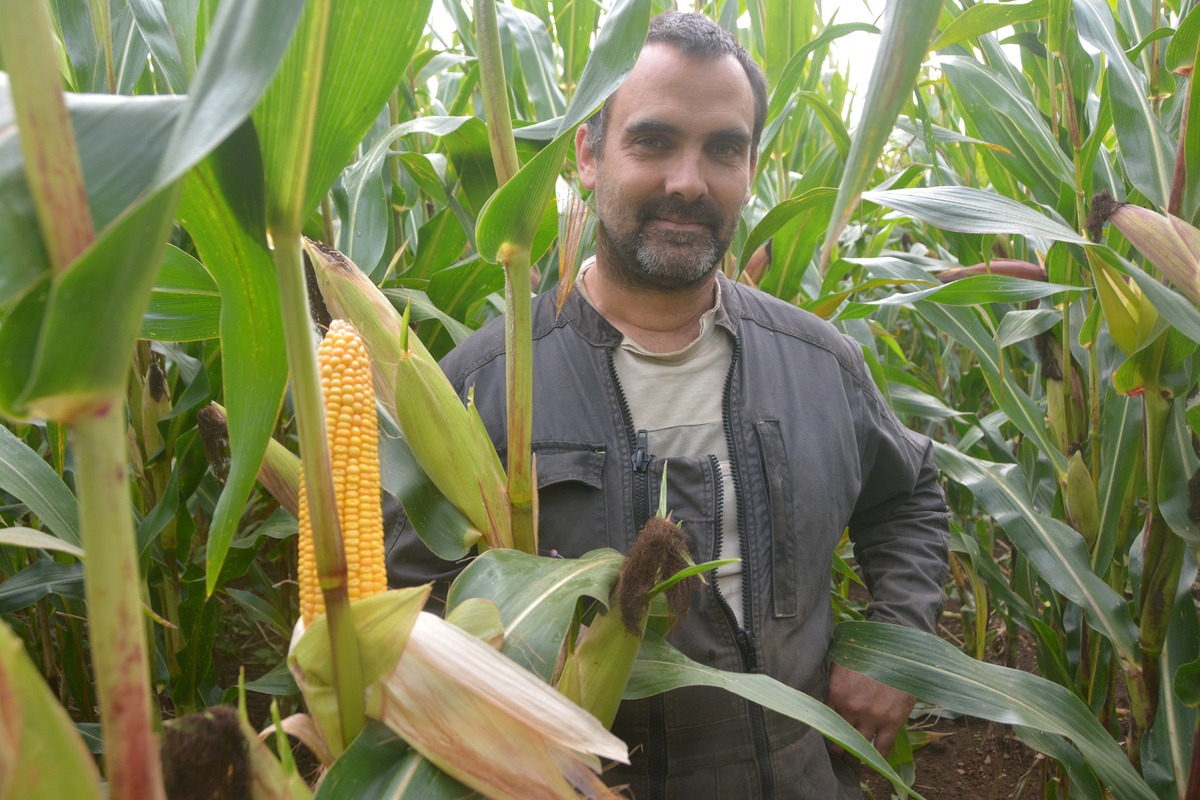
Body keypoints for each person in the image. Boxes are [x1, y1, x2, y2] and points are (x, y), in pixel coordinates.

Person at [386, 10, 949, 799]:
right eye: (653, 141)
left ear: (752, 167)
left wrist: (894, 642)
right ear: (587, 154)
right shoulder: (483, 387)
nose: (689, 180)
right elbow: (404, 615)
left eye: (724, 148)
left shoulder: (822, 365)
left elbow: (911, 496)